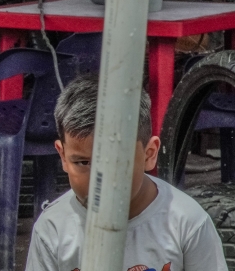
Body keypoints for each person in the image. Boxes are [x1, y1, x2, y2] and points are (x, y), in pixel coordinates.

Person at [25, 75, 227, 271]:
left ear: (149, 154)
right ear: (63, 156)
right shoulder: (52, 228)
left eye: (116, 163)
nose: (99, 182)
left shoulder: (188, 223)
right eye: (83, 162)